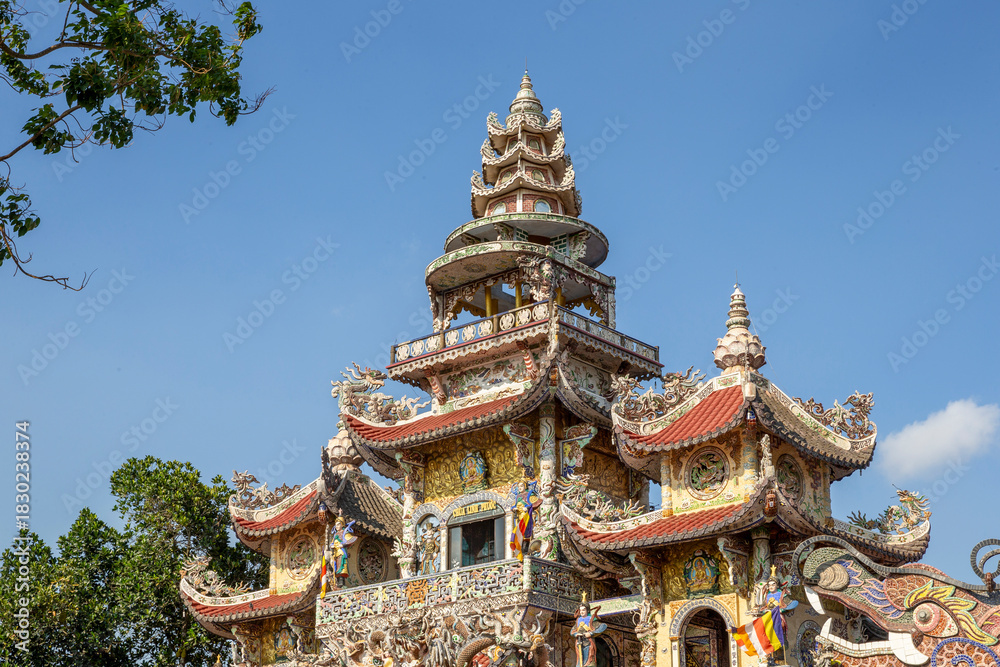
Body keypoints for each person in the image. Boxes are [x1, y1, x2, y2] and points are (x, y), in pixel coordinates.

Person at [571, 595, 607, 667]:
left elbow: (603, 626)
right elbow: (572, 631)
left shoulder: (591, 620)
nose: (581, 612)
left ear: (587, 610)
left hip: (588, 644)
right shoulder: (578, 620)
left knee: (590, 663)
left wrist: (591, 633)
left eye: (583, 610)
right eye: (580, 610)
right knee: (579, 664)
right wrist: (576, 634)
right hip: (579, 644)